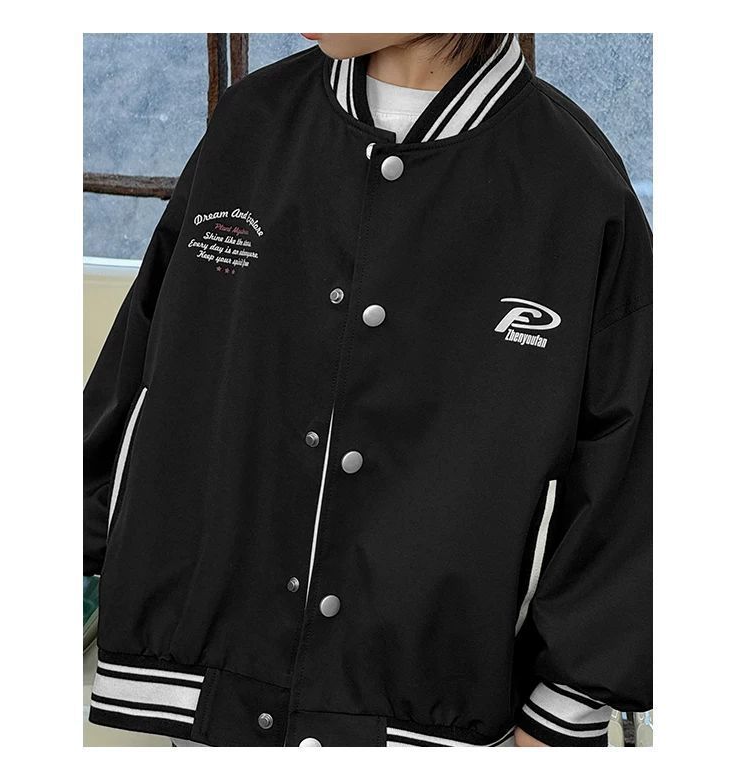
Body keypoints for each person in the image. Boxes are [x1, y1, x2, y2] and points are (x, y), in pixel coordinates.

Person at [84, 33, 652, 748]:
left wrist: (570, 703)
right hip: (207, 689)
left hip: (438, 713)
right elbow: (135, 370)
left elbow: (631, 477)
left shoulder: (576, 185)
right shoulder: (252, 122)